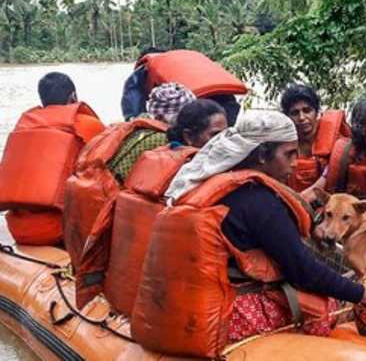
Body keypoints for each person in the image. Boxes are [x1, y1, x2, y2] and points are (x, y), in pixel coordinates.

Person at [155, 110, 366, 344]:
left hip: (189, 301)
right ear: (263, 154)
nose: (296, 162)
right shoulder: (258, 200)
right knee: (336, 303)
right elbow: (304, 272)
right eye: (288, 153)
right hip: (232, 311)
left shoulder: (217, 180)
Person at [71, 98, 228, 309]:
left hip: (130, 277)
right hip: (158, 285)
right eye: (215, 136)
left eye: (227, 135)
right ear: (189, 136)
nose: (224, 142)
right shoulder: (190, 170)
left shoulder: (156, 154)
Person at [0, 72, 105, 245]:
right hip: (60, 229)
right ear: (73, 97)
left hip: (17, 228)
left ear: (42, 100)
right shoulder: (88, 125)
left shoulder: (23, 126)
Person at [124, 49, 248, 125]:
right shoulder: (187, 58)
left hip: (198, 107)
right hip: (228, 104)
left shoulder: (145, 67)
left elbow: (133, 109)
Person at [281, 84, 351, 192]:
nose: (302, 118)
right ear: (287, 117)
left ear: (316, 112)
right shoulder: (281, 144)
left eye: (307, 110)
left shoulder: (337, 139)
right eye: (295, 113)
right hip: (292, 201)